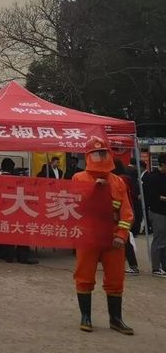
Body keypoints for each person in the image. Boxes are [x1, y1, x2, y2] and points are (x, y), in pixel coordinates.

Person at [72, 136, 134, 334]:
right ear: (87, 156)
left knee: (116, 278)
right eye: (96, 153)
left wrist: (121, 235)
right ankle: (86, 317)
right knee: (84, 276)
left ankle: (116, 319)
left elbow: (126, 212)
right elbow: (73, 206)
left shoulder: (118, 182)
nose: (100, 157)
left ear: (110, 155)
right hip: (88, 235)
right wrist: (93, 190)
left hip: (113, 237)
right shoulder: (78, 178)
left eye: (103, 153)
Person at [0, 158, 38, 265]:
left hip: (4, 210)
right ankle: (22, 256)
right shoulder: (15, 179)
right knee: (20, 232)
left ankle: (9, 256)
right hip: (16, 209)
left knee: (8, 233)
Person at [112, 160, 139, 275]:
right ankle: (131, 265)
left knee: (125, 240)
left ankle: (133, 266)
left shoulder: (118, 181)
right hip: (128, 212)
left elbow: (119, 201)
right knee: (125, 240)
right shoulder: (125, 179)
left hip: (123, 215)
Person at [143, 153, 166, 276]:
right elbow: (151, 196)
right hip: (157, 212)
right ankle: (156, 268)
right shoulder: (152, 177)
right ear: (162, 164)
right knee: (159, 239)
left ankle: (164, 266)